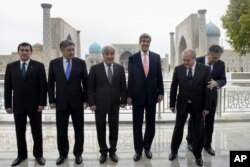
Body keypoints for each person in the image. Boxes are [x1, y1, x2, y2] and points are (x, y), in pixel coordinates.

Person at [4, 42, 47, 166]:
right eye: (22, 50)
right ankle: (21, 155)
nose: (24, 52)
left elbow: (42, 86)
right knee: (19, 132)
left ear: (30, 52)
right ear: (18, 52)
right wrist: (8, 104)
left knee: (37, 132)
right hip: (18, 105)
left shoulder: (39, 66)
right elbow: (8, 87)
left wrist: (42, 103)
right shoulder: (11, 67)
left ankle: (38, 155)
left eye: (27, 50)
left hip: (35, 106)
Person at [48, 40, 88, 165]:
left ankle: (78, 154)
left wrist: (86, 100)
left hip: (77, 103)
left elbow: (86, 83)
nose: (71, 52)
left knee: (79, 130)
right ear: (62, 50)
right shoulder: (54, 64)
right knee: (61, 130)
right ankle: (63, 154)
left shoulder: (80, 63)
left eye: (73, 49)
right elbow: (50, 83)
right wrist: (52, 100)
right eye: (69, 50)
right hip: (61, 103)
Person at [168, 49, 211, 166]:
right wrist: (172, 103)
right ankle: (174, 151)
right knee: (178, 128)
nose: (185, 63)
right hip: (182, 104)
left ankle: (198, 155)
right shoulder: (178, 69)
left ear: (194, 58)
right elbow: (173, 87)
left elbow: (208, 89)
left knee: (198, 130)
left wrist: (207, 107)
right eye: (184, 60)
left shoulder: (205, 69)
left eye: (188, 60)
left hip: (198, 105)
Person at [127, 33, 164, 161]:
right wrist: (129, 95)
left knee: (151, 124)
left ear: (150, 43)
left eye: (148, 41)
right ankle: (138, 150)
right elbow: (131, 78)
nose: (145, 43)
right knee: (137, 125)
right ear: (139, 42)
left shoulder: (156, 57)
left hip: (152, 96)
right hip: (137, 97)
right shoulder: (133, 58)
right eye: (143, 41)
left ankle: (147, 147)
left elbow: (159, 76)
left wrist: (161, 92)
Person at [88, 45, 127, 163]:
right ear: (103, 55)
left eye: (112, 54)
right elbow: (90, 88)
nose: (110, 56)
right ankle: (103, 151)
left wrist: (123, 100)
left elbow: (123, 87)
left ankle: (113, 151)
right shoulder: (95, 69)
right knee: (101, 128)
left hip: (115, 104)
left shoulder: (119, 68)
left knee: (114, 128)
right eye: (107, 54)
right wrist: (91, 103)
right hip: (99, 105)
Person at [186, 45, 226, 156]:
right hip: (197, 99)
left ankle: (207, 145)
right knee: (193, 121)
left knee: (209, 123)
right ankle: (190, 141)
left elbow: (224, 79)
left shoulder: (221, 64)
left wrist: (217, 83)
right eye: (214, 58)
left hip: (211, 99)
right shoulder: (197, 60)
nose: (216, 60)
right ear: (208, 54)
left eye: (218, 58)